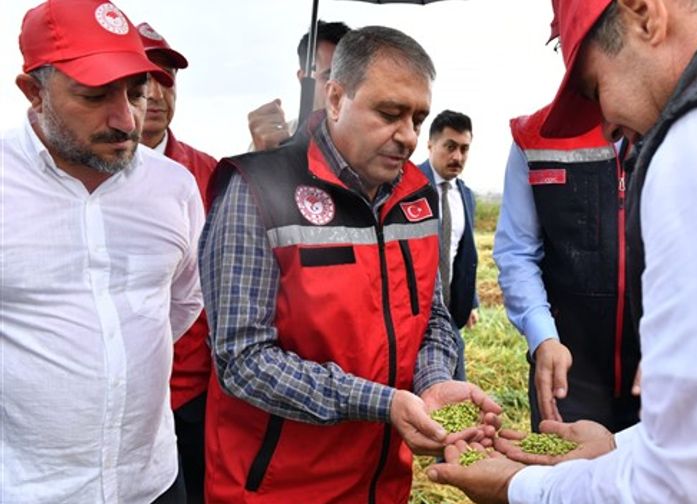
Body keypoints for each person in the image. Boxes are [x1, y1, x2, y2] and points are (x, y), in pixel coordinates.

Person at [428, 0, 697, 502]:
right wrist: (619, 446)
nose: (606, 121)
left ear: (644, 15)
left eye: (594, 86)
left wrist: (521, 487)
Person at [200, 25, 501, 503]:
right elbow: (242, 358)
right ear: (336, 99)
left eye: (418, 119)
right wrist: (381, 403)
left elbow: (431, 316)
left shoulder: (416, 199)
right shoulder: (258, 190)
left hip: (381, 483)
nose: (407, 137)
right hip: (280, 487)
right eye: (389, 114)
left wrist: (435, 381)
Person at [1, 1, 205, 503]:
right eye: (94, 95)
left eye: (135, 93)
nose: (125, 120)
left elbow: (181, 300)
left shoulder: (175, 187)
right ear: (33, 91)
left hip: (154, 481)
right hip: (29, 488)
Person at [495, 105, 640, 433]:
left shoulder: (680, 125)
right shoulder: (534, 138)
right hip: (565, 367)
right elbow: (517, 253)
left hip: (658, 365)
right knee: (568, 479)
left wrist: (678, 334)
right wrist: (543, 338)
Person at [138, 21, 219, 504]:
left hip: (197, 391)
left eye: (166, 78)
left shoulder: (211, 174)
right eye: (142, 78)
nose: (154, 92)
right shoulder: (86, 174)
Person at [418, 109, 479, 381]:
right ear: (430, 144)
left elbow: (463, 253)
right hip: (413, 314)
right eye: (450, 147)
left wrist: (471, 302)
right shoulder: (407, 185)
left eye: (464, 149)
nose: (458, 157)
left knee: (456, 388)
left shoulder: (465, 195)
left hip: (450, 314)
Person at [247, 20, 351, 151]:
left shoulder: (372, 144)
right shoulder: (274, 142)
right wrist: (265, 159)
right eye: (328, 76)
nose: (342, 89)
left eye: (351, 78)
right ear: (303, 79)